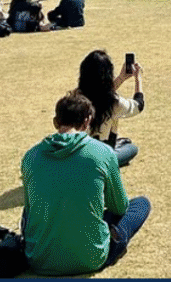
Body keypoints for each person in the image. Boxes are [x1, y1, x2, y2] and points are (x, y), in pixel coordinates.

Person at [20, 91, 151, 276]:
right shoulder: (102, 153)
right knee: (141, 204)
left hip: (39, 259)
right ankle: (111, 238)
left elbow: (29, 210)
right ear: (88, 120)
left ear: (55, 122)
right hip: (90, 259)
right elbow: (120, 207)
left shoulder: (31, 157)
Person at [77, 50, 146, 167]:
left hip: (78, 155)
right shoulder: (113, 102)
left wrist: (121, 78)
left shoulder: (76, 98)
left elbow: (100, 94)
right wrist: (137, 78)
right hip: (101, 158)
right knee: (132, 148)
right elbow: (138, 105)